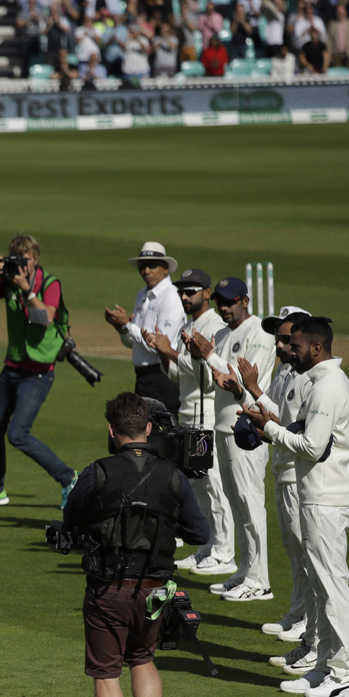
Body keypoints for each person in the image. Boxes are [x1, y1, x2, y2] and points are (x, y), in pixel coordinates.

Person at [57, 392, 209, 697]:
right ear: (147, 428)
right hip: (155, 590)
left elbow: (70, 520)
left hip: (108, 590)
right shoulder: (172, 475)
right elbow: (199, 532)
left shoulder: (98, 472)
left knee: (107, 674)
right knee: (143, 660)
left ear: (111, 430)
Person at [240, 317, 349, 697]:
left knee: (332, 588)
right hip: (315, 495)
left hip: (326, 498)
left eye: (296, 346)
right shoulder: (319, 383)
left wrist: (268, 430)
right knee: (321, 588)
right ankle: (324, 665)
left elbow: (311, 446)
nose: (290, 351)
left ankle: (344, 675)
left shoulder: (328, 388)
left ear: (316, 348)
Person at [0, 234, 77, 508]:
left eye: (24, 259)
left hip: (38, 372)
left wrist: (27, 290)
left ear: (35, 260)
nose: (20, 265)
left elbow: (46, 318)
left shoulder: (49, 283)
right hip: (12, 366)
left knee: (17, 434)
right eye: (15, 258)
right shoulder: (7, 281)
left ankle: (69, 478)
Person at [236, 308, 318, 663]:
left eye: (287, 338)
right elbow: (277, 415)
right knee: (293, 550)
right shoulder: (285, 372)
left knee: (306, 556)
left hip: (299, 478)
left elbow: (290, 425)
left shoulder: (307, 379)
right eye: (278, 337)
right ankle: (299, 615)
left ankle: (311, 634)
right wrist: (254, 395)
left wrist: (257, 401)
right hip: (283, 472)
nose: (280, 345)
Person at [187, 276, 275, 602]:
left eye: (230, 302)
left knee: (251, 504)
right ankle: (245, 571)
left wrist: (210, 357)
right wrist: (206, 359)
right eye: (220, 302)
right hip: (222, 427)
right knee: (236, 503)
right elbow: (216, 382)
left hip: (249, 428)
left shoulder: (260, 333)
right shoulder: (222, 333)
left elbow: (240, 383)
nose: (224, 308)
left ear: (245, 301)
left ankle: (261, 581)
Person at [144, 268, 236, 578]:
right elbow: (178, 374)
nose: (185, 296)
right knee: (196, 486)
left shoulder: (214, 325)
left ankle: (224, 552)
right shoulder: (189, 324)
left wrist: (168, 349)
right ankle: (207, 547)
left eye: (191, 291)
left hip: (205, 414)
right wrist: (161, 352)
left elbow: (206, 375)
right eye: (182, 291)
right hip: (188, 413)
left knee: (213, 485)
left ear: (207, 293)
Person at [104, 241, 184, 418]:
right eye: (142, 266)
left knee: (162, 439)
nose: (146, 271)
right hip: (142, 379)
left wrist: (128, 326)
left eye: (152, 265)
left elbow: (162, 345)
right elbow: (132, 344)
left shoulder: (171, 297)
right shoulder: (143, 294)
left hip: (162, 378)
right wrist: (122, 328)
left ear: (165, 268)